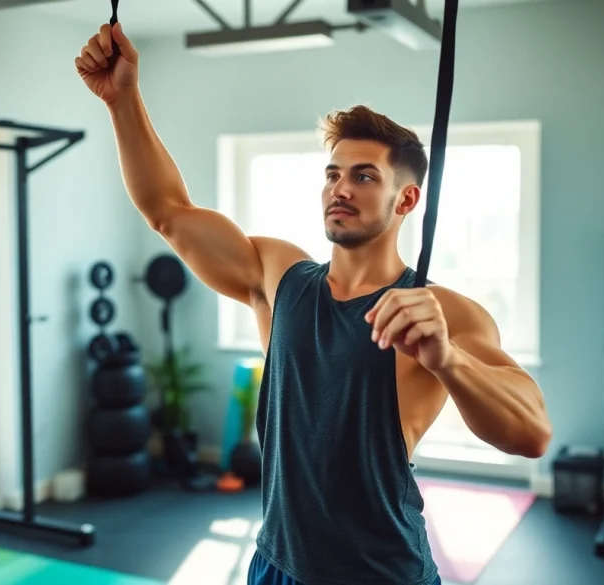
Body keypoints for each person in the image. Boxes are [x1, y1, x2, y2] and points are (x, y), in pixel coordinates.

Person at [76, 22, 552, 585]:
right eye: (333, 174)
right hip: (277, 565)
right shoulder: (279, 278)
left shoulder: (442, 312)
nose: (340, 189)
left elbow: (532, 433)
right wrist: (123, 100)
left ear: (407, 198)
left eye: (364, 176)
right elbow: (168, 211)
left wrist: (448, 358)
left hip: (381, 575)